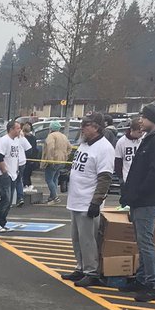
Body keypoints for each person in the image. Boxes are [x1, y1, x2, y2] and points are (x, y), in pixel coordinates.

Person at [121, 101, 155, 302]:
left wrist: (138, 193)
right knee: (141, 242)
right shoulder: (151, 138)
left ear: (153, 119)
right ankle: (141, 279)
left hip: (147, 200)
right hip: (139, 200)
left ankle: (150, 285)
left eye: (143, 117)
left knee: (146, 243)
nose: (140, 121)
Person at [62, 112, 116, 289]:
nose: (82, 127)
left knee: (88, 239)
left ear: (97, 127)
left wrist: (96, 201)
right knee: (76, 238)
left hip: (88, 200)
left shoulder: (104, 148)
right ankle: (81, 266)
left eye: (87, 125)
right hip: (76, 198)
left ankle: (91, 271)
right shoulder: (85, 144)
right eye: (82, 124)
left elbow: (105, 177)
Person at [0, 120, 24, 233]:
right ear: (11, 129)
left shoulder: (16, 141)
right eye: (17, 128)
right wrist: (4, 171)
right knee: (5, 199)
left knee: (9, 202)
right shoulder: (4, 140)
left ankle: (2, 223)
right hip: (4, 174)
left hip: (14, 174)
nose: (19, 130)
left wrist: (16, 171)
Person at [41, 121, 71, 203]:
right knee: (55, 178)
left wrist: (50, 159)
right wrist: (66, 156)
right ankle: (52, 196)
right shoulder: (64, 136)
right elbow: (70, 147)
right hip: (62, 161)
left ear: (51, 128)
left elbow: (50, 148)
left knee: (49, 179)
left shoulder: (51, 136)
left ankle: (55, 196)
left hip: (53, 161)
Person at [114, 118, 143, 204]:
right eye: (139, 132)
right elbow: (118, 161)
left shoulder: (143, 140)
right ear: (132, 130)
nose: (141, 134)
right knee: (126, 203)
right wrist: (120, 178)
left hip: (140, 177)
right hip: (127, 176)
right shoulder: (121, 142)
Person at [21, 123, 39, 188]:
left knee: (24, 174)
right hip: (32, 158)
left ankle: (25, 185)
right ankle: (29, 185)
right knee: (28, 174)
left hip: (25, 158)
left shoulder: (23, 138)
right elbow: (34, 148)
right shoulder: (33, 138)